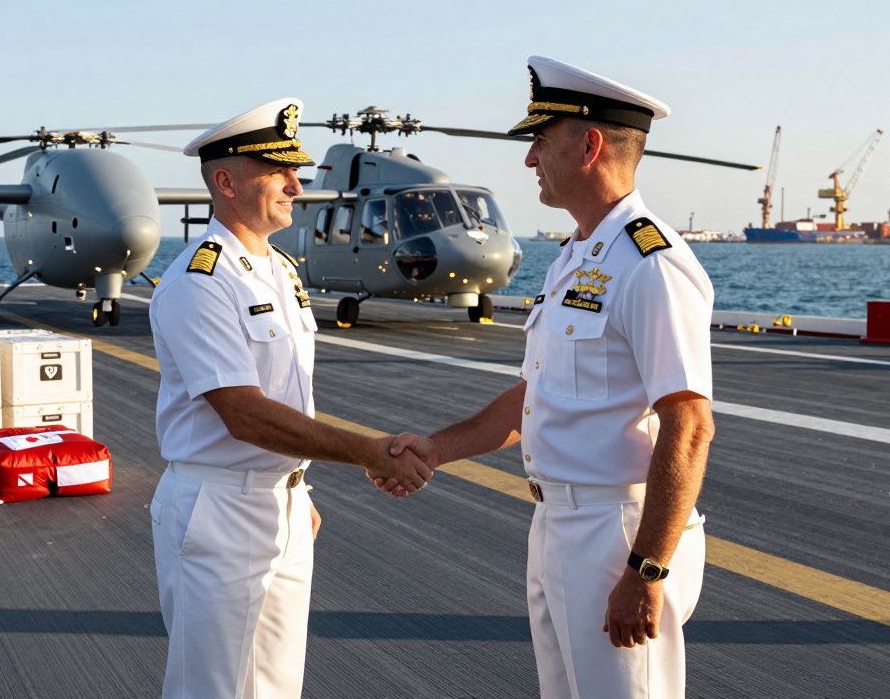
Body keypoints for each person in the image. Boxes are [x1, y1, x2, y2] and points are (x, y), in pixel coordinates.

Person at [379, 57, 715, 698]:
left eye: (540, 140)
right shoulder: (579, 255)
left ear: (589, 145)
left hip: (617, 532)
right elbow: (537, 399)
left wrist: (645, 569)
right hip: (557, 527)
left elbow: (690, 425)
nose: (530, 159)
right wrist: (437, 448)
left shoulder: (651, 263)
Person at [149, 97, 434, 699]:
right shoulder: (200, 281)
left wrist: (296, 486)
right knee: (213, 688)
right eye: (278, 170)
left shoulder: (278, 269)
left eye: (294, 170)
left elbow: (287, 395)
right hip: (220, 508)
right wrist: (368, 451)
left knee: (277, 684)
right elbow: (245, 413)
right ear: (225, 181)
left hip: (281, 506)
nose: (296, 184)